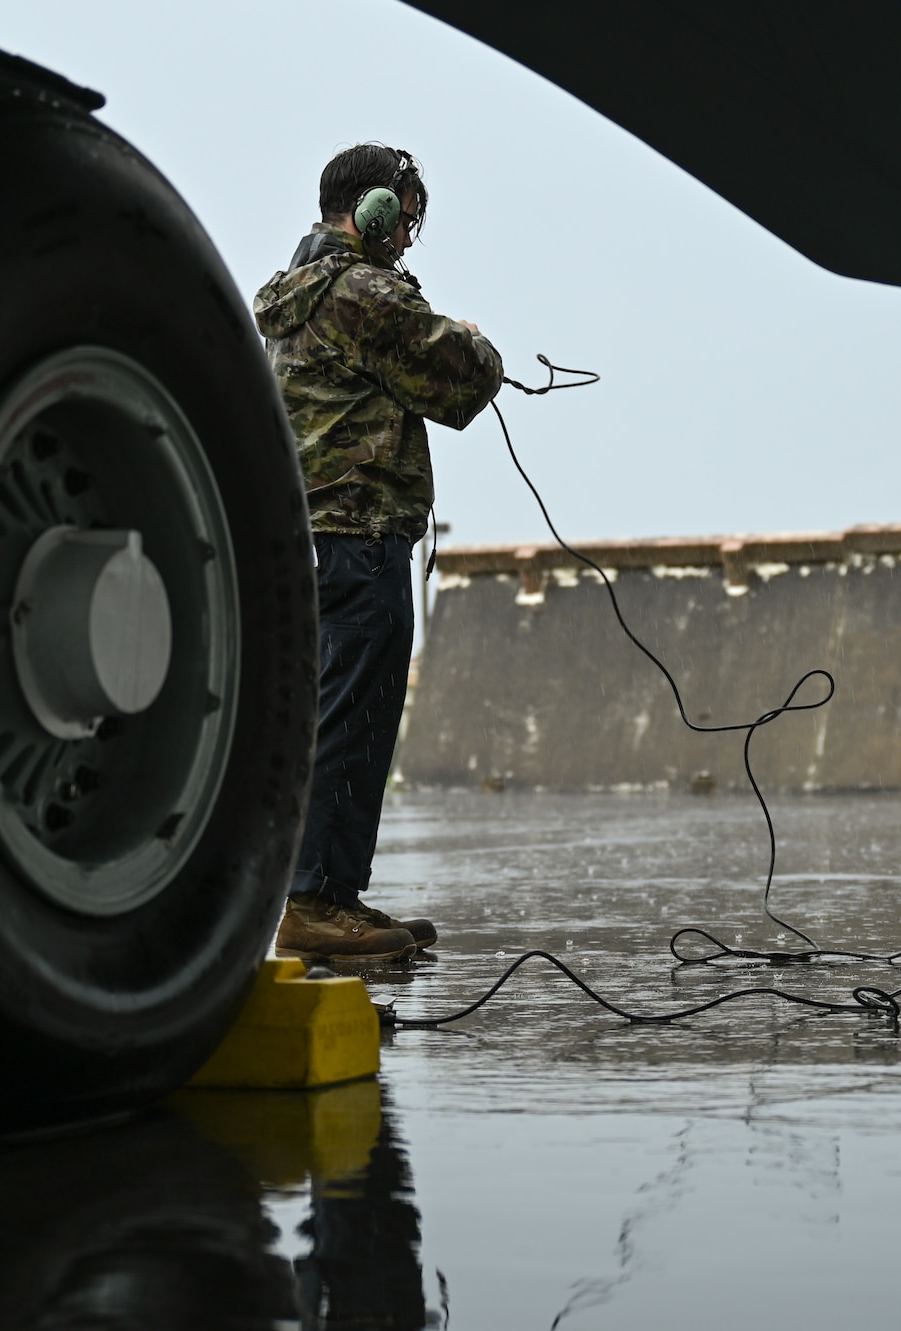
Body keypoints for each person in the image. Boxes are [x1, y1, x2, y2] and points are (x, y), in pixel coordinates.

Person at [254, 143, 504, 960]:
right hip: (358, 534)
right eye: (404, 220)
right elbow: (459, 378)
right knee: (354, 717)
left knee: (334, 714)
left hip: (312, 539)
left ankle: (331, 893)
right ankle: (318, 901)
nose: (406, 240)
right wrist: (474, 339)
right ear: (376, 212)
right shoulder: (360, 290)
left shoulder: (299, 292)